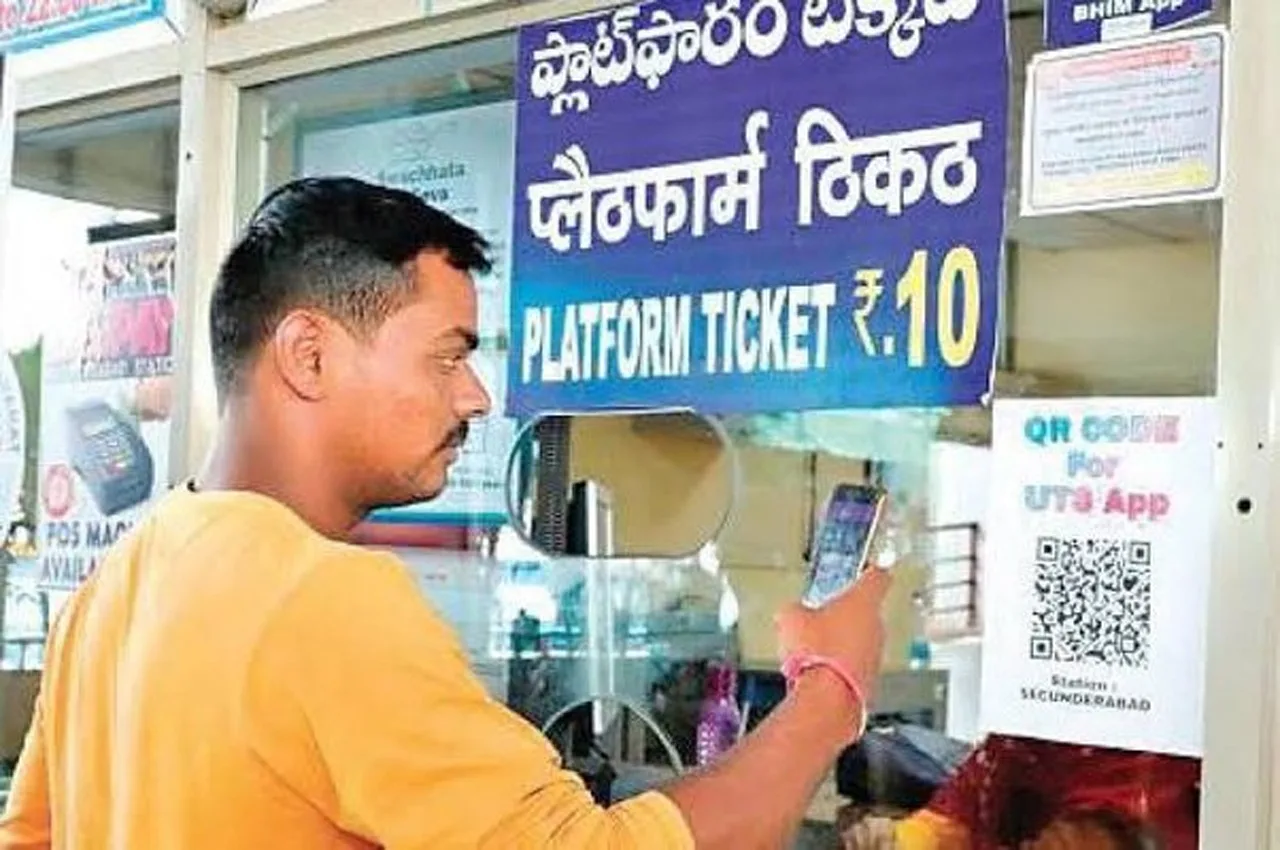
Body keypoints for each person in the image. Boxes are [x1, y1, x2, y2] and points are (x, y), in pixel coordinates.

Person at [0, 176, 891, 849]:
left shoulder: (114, 587)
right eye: (446, 357)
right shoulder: (322, 599)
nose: (475, 395)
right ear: (308, 355)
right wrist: (829, 692)